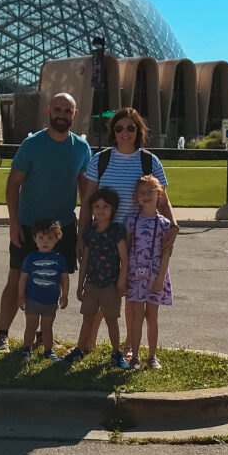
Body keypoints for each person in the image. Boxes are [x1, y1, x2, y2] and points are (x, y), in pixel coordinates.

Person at [0, 92, 91, 353]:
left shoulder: (81, 149)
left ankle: (41, 334)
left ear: (75, 114)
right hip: (29, 226)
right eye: (57, 109)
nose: (61, 115)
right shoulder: (32, 145)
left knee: (54, 280)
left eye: (67, 111)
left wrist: (82, 233)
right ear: (49, 110)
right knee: (17, 278)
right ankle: (3, 335)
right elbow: (12, 185)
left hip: (63, 228)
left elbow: (86, 194)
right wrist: (14, 223)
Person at [76, 107, 178, 349]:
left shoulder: (148, 161)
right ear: (113, 132)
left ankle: (131, 348)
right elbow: (87, 202)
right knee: (105, 291)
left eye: (131, 128)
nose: (125, 133)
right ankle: (87, 342)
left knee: (134, 297)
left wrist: (173, 225)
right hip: (106, 238)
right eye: (119, 128)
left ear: (138, 131)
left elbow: (162, 198)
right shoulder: (100, 160)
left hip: (139, 242)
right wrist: (82, 237)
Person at [63, 186, 130, 369]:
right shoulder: (89, 232)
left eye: (105, 206)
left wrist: (121, 281)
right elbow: (85, 260)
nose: (100, 210)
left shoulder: (116, 230)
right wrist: (80, 284)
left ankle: (116, 353)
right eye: (97, 206)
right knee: (87, 318)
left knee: (111, 320)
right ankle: (79, 349)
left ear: (113, 209)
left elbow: (124, 258)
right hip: (92, 284)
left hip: (110, 285)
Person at [123, 174, 174, 370]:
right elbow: (126, 250)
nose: (145, 196)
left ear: (159, 194)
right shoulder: (130, 221)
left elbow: (166, 252)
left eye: (150, 192)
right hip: (135, 274)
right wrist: (125, 274)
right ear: (136, 196)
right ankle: (134, 355)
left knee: (152, 315)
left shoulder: (164, 224)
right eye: (141, 193)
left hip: (155, 275)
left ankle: (152, 356)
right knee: (136, 314)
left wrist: (160, 277)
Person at [17, 219, 69, 361]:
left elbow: (64, 278)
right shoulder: (30, 258)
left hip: (51, 301)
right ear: (34, 239)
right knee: (31, 326)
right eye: (41, 238)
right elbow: (23, 278)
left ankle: (48, 350)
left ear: (57, 239)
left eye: (50, 238)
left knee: (47, 328)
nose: (45, 242)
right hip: (32, 299)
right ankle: (26, 348)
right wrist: (21, 296)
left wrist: (65, 295)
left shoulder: (60, 259)